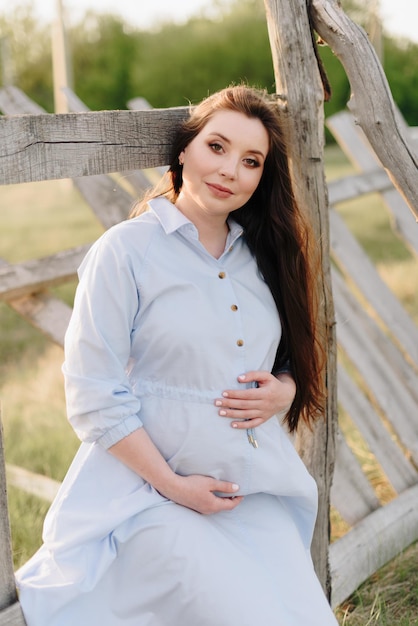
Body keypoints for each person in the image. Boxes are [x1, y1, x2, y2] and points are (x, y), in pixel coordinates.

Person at [16, 85, 338, 625]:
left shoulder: (265, 253)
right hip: (147, 501)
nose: (230, 170)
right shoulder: (126, 251)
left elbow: (287, 354)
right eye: (217, 146)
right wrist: (174, 487)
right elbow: (93, 395)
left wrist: (284, 388)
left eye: (250, 161)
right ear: (184, 149)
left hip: (252, 495)